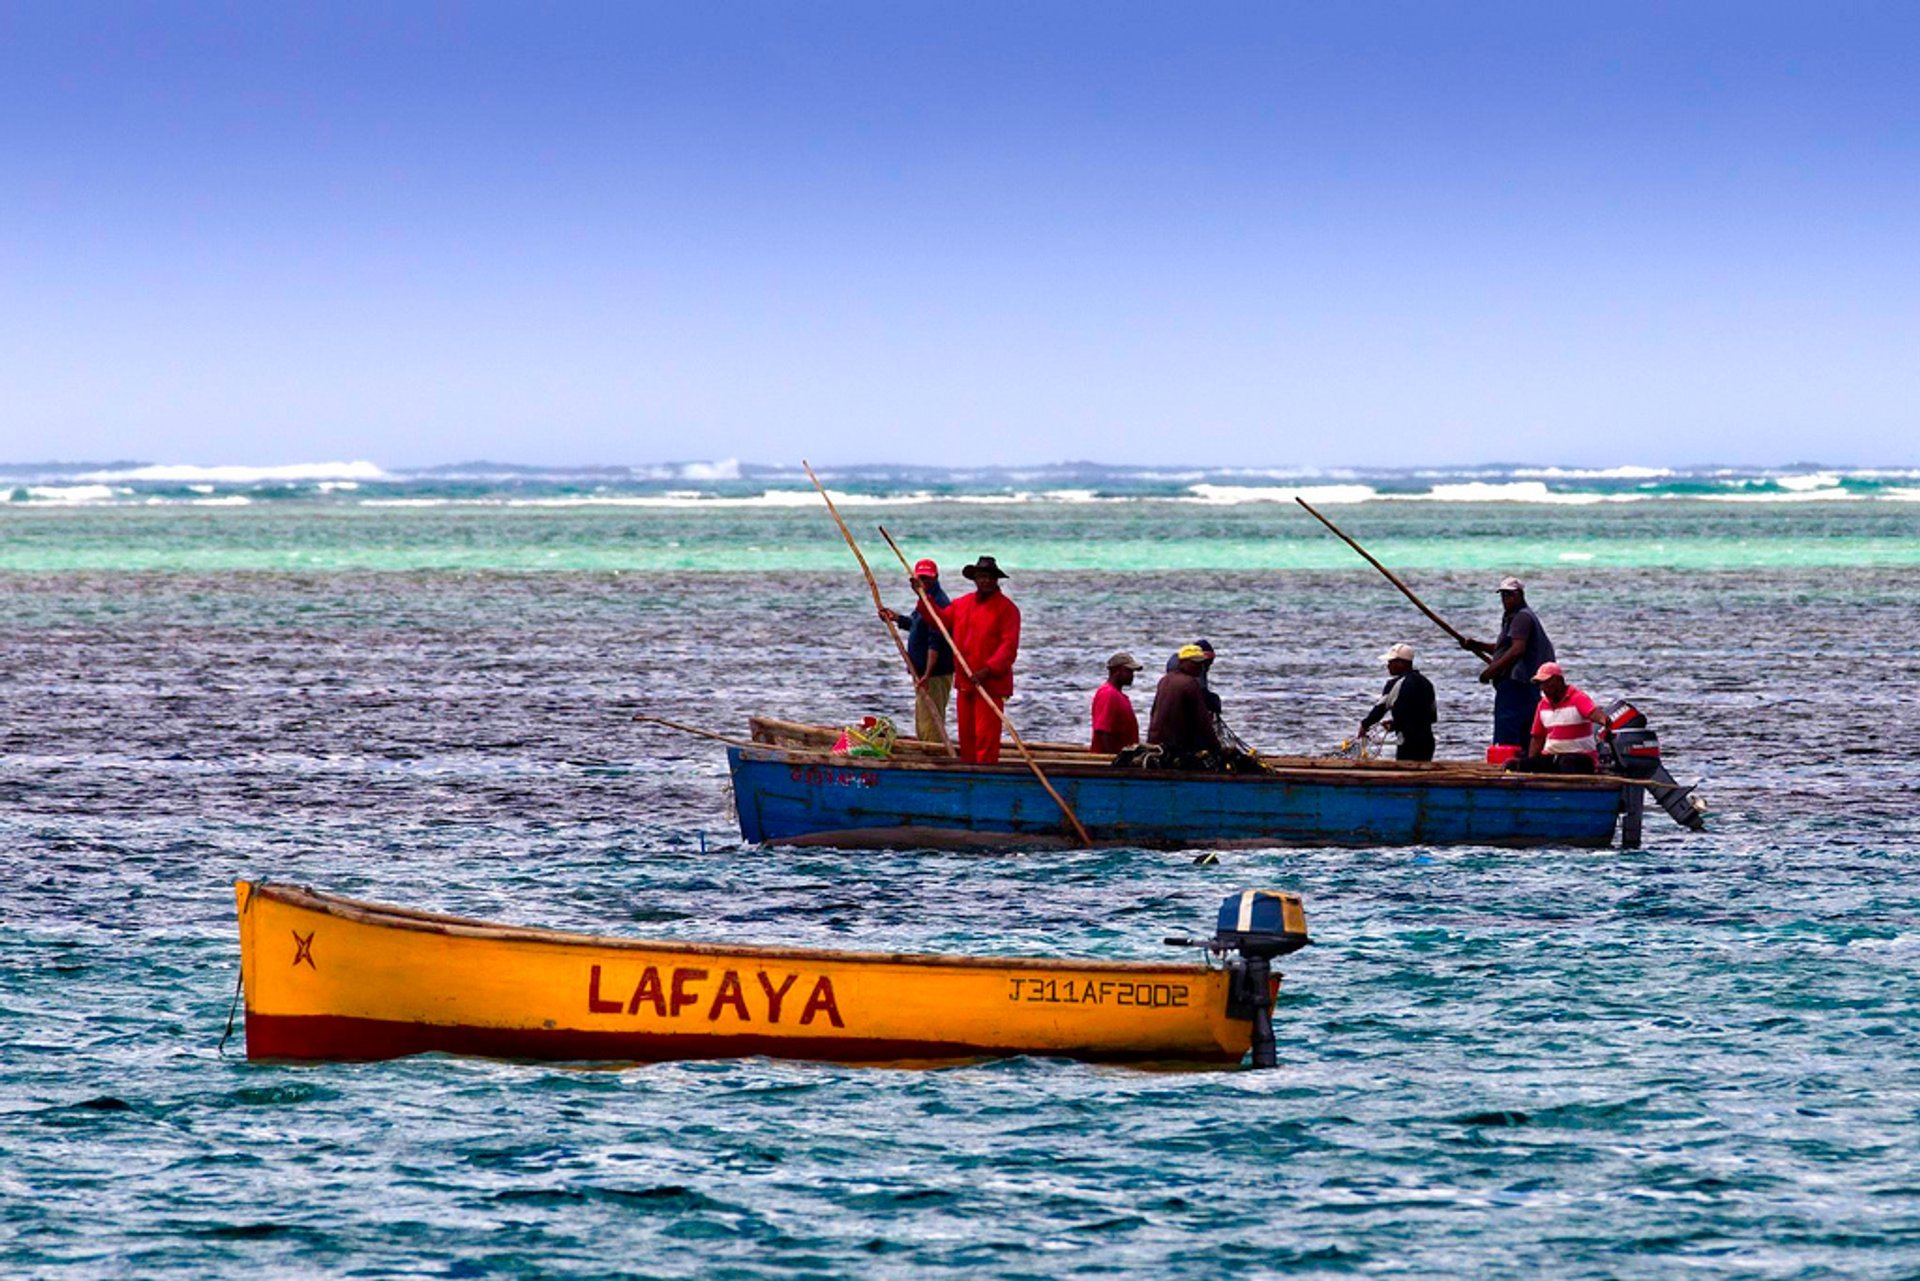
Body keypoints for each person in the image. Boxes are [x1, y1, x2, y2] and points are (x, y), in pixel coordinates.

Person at [926, 555, 1021, 764]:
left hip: (990, 684)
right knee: (967, 737)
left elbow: (1009, 648)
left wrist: (988, 670)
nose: (985, 581)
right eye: (981, 577)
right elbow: (939, 621)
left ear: (996, 579)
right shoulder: (962, 604)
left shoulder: (1008, 610)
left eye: (988, 577)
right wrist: (923, 596)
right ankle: (968, 776)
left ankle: (985, 780)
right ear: (975, 579)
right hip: (966, 683)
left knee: (985, 739)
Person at [1460, 577, 1556, 749]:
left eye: (1510, 595)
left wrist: (1490, 672)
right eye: (1503, 596)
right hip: (1526, 686)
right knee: (1526, 732)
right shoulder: (1513, 618)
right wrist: (1476, 645)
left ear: (1520, 595)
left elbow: (1517, 649)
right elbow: (1503, 649)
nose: (1506, 600)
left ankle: (1508, 767)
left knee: (1508, 733)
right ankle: (1524, 764)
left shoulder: (1522, 618)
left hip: (1517, 685)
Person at [880, 558, 953, 744]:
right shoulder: (924, 598)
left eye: (927, 579)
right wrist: (896, 618)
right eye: (920, 579)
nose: (924, 582)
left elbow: (935, 643)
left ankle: (934, 758)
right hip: (923, 673)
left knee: (931, 721)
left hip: (934, 674)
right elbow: (916, 626)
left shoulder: (938, 602)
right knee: (924, 717)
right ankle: (926, 748)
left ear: (936, 577)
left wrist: (927, 674)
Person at [1507, 662, 1609, 774]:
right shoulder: (1542, 705)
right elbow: (1538, 738)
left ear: (1559, 681)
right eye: (1541, 684)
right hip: (1553, 757)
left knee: (1566, 762)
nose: (1543, 688)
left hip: (1581, 758)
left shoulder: (1578, 698)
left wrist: (1605, 721)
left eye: (1547, 683)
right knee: (1514, 765)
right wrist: (1532, 763)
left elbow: (1594, 713)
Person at [1359, 642, 1437, 761]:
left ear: (1402, 663)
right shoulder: (1427, 683)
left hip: (1408, 742)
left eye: (1391, 662)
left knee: (1407, 774)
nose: (1388, 666)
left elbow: (1379, 709)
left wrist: (1364, 725)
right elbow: (1430, 716)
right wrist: (1396, 724)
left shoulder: (1395, 684)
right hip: (1427, 742)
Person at [1148, 644, 1222, 757]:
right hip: (1177, 747)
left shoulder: (1164, 680)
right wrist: (1217, 749)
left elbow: (1153, 713)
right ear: (1182, 662)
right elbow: (1203, 722)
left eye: (1202, 663)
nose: (1201, 667)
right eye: (1196, 663)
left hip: (1156, 743)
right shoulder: (1190, 683)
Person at [1090, 652, 1144, 754]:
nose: (1132, 676)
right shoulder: (1108, 694)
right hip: (1109, 762)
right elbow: (1103, 731)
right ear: (1117, 671)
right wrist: (1111, 759)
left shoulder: (1117, 695)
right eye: (1129, 671)